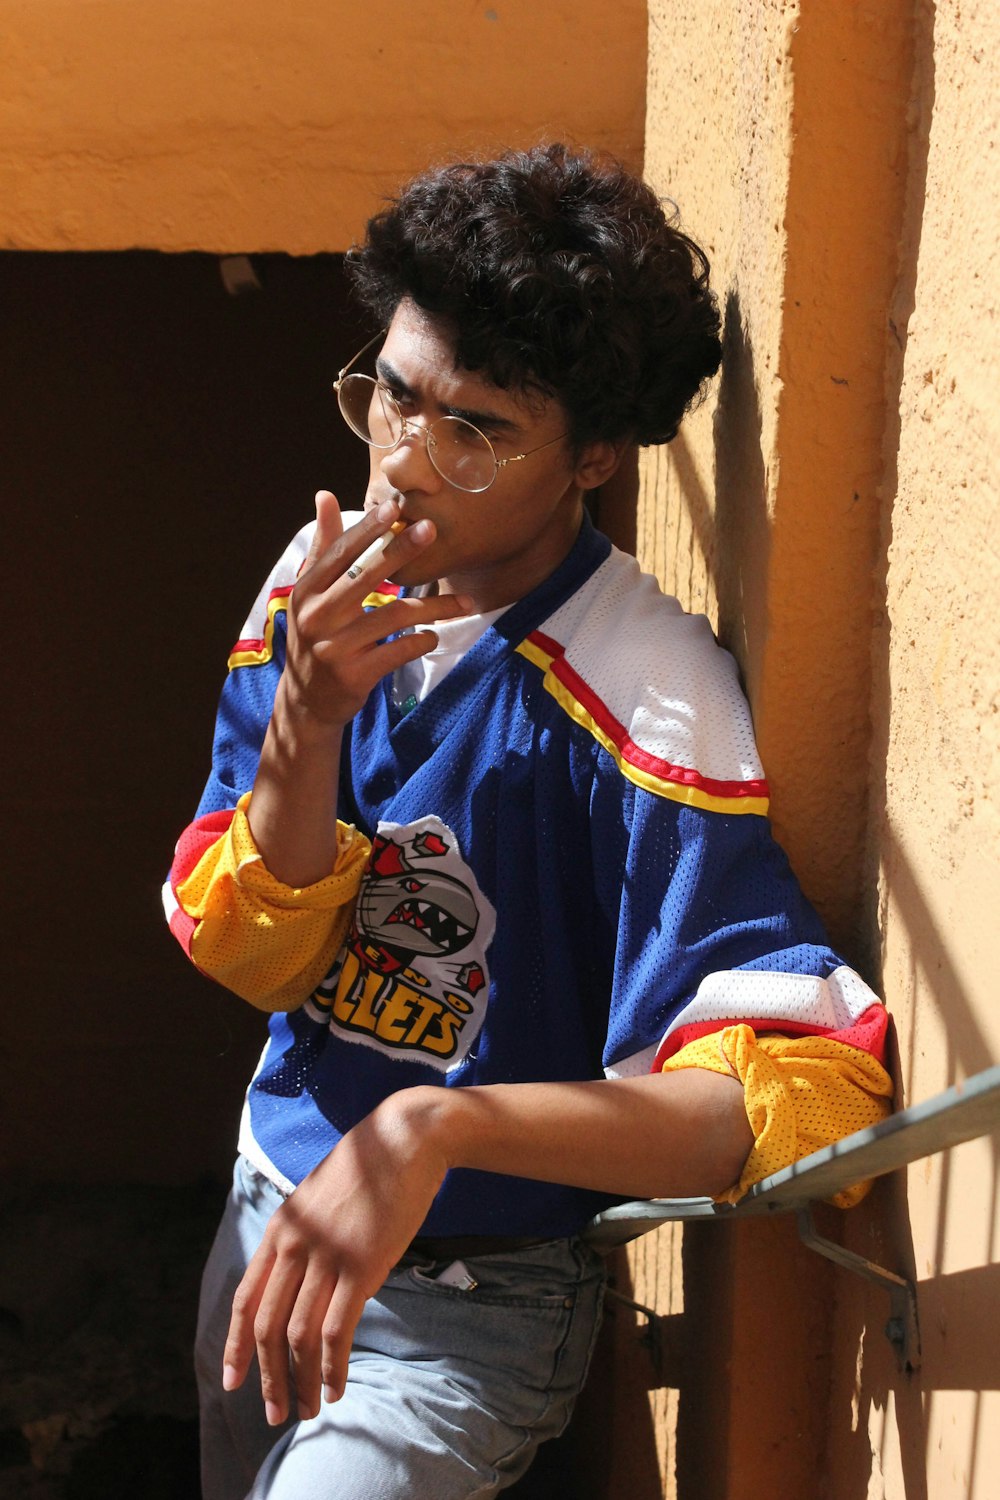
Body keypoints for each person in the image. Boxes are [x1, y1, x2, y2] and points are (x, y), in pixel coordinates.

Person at [164, 143, 894, 1500]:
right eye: (392, 395)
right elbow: (243, 956)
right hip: (267, 1218)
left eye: (478, 431)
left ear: (598, 457)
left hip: (469, 1308)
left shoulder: (649, 696)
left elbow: (772, 1101)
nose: (406, 464)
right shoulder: (316, 582)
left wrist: (438, 1129)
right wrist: (305, 727)